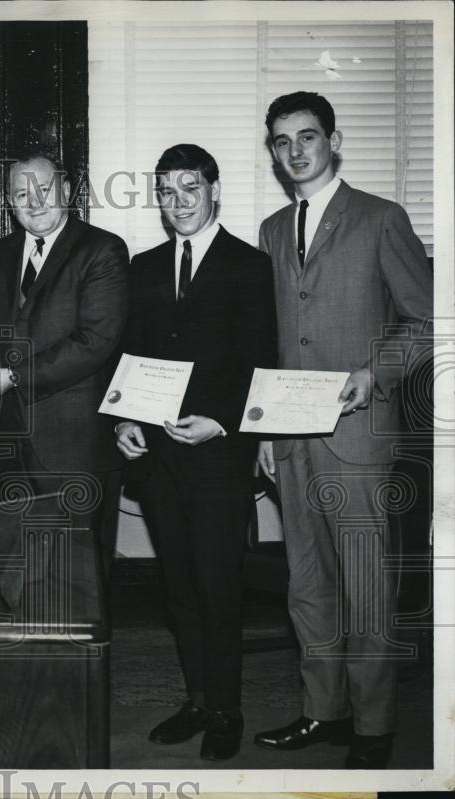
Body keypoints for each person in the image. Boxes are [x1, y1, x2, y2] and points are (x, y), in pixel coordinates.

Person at [253, 91, 432, 769]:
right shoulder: (272, 229)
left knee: (364, 583)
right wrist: (265, 429)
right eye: (281, 141)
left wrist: (372, 371)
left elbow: (424, 319)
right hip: (290, 436)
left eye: (306, 137)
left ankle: (375, 724)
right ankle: (322, 709)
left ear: (333, 139)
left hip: (356, 432)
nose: (295, 151)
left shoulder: (381, 218)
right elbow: (275, 335)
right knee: (307, 582)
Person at [115, 144, 277, 760]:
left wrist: (223, 423)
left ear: (214, 190)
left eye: (189, 188)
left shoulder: (248, 265)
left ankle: (228, 708)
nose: (177, 202)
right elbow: (131, 355)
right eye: (165, 191)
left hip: (218, 455)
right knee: (177, 586)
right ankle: (197, 700)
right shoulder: (145, 266)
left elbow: (263, 360)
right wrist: (124, 420)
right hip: (158, 457)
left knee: (217, 584)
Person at [0, 155, 128, 577]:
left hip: (75, 443)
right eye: (21, 193)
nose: (34, 201)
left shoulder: (102, 249)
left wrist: (14, 377)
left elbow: (96, 342)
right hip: (8, 441)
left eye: (44, 189)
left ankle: (82, 647)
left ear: (67, 189)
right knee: (18, 570)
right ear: (8, 202)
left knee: (80, 576)